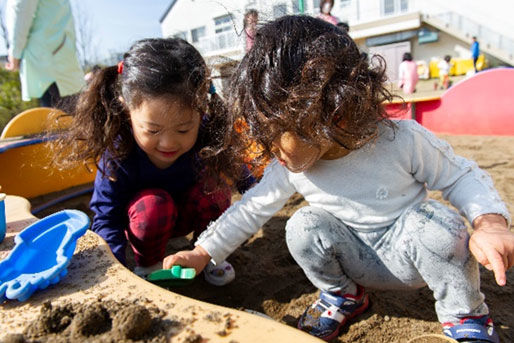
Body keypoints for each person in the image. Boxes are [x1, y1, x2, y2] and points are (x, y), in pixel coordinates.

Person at [164, 16, 513, 343]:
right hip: (355, 258)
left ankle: (465, 315)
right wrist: (202, 252)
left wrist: (490, 222)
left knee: (439, 224)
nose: (269, 148)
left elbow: (460, 174)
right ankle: (344, 296)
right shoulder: (292, 165)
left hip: (412, 255)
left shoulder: (399, 140)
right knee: (302, 225)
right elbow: (251, 208)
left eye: (275, 134)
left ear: (336, 113)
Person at [53, 38, 253, 285]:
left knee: (216, 187)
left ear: (201, 110)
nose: (167, 143)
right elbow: (107, 217)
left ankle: (208, 253)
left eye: (183, 130)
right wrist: (115, 267)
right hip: (146, 222)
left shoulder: (207, 135)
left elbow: (237, 168)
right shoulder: (120, 150)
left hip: (190, 214)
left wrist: (254, 188)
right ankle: (148, 266)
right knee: (153, 206)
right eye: (152, 130)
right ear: (127, 110)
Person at [4, 0, 85, 109]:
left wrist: (15, 55)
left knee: (57, 118)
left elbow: (21, 13)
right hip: (58, 55)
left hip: (47, 60)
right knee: (70, 115)